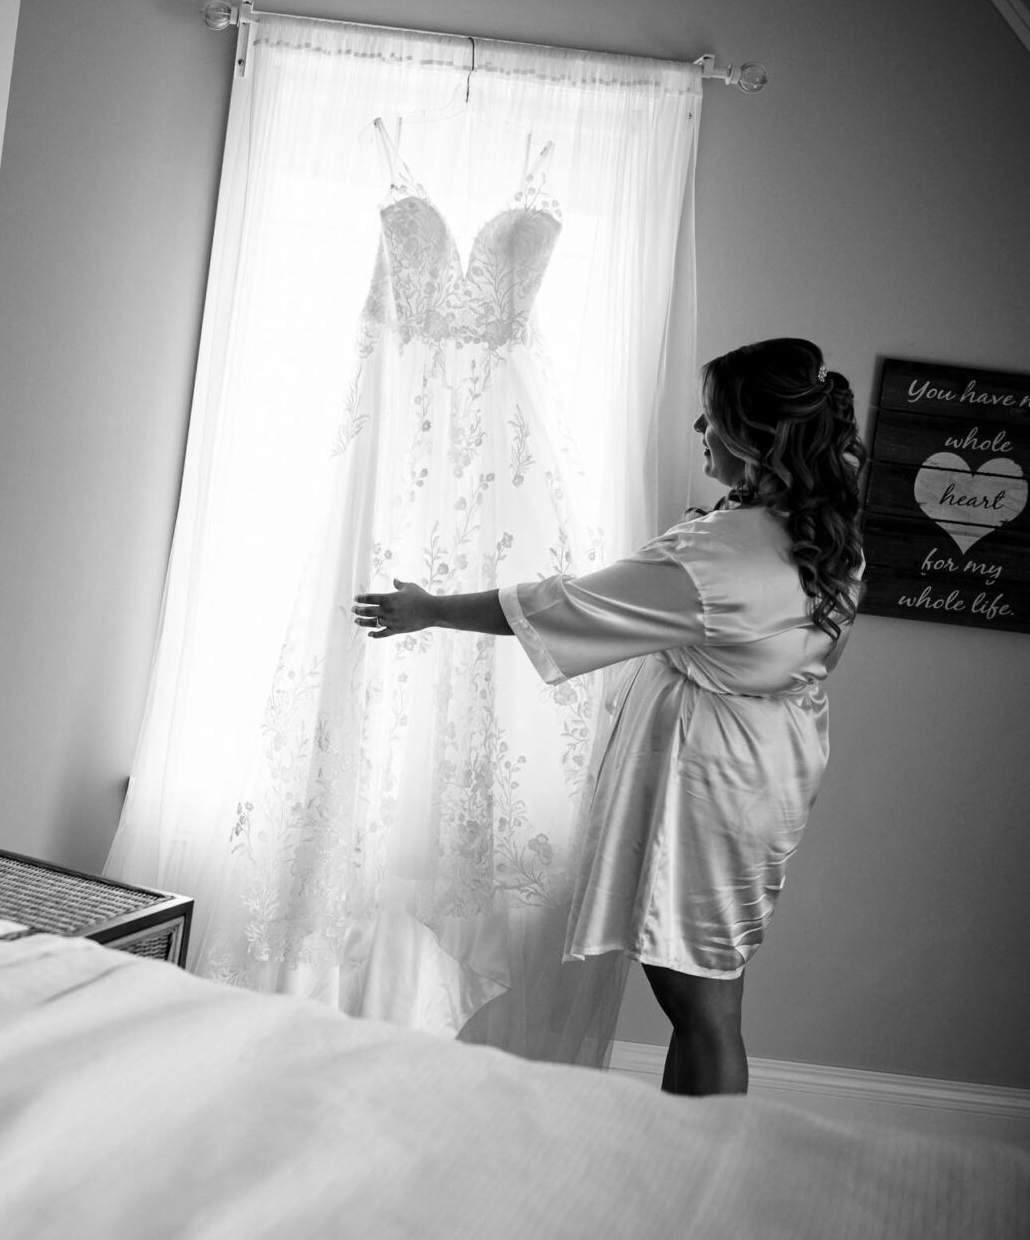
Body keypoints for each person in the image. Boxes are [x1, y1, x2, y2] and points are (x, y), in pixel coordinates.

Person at [350, 337, 865, 1096]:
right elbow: (811, 657)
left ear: (755, 437)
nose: (698, 429)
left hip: (712, 784)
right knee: (714, 986)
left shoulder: (721, 554)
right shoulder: (828, 533)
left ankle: (707, 1167)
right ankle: (694, 1146)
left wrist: (430, 608)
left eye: (711, 417)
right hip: (771, 766)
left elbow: (567, 603)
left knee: (697, 999)